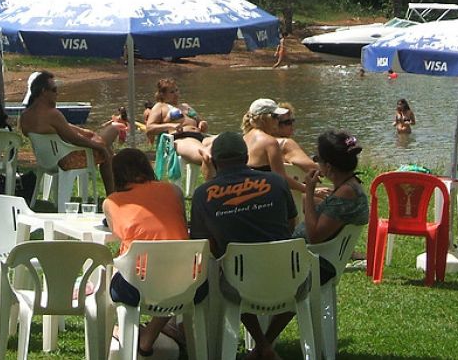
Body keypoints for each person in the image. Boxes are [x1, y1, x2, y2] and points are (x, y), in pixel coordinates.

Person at [190, 131, 296, 360]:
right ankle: (265, 346)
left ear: (214, 160)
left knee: (227, 278)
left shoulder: (202, 194)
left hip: (238, 280)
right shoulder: (277, 182)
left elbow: (206, 244)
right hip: (288, 276)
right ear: (246, 157)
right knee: (300, 289)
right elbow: (290, 224)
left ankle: (262, 345)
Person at [103, 148, 196, 356]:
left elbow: (117, 233)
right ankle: (155, 332)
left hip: (139, 284)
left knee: (115, 270)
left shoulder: (112, 202)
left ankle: (130, 331)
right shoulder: (173, 191)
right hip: (188, 280)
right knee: (169, 277)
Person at [18, 71, 119, 194]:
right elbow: (74, 139)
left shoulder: (25, 116)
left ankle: (114, 194)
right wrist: (99, 147)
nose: (57, 93)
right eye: (54, 90)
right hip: (64, 160)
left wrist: (89, 135)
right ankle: (112, 195)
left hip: (45, 160)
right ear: (44, 92)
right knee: (107, 148)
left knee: (104, 143)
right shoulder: (52, 114)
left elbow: (65, 131)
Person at [294, 130, 370, 284]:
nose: (315, 163)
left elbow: (315, 236)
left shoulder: (346, 193)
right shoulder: (350, 186)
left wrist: (309, 191)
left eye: (317, 159)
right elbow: (331, 216)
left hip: (313, 265)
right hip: (311, 258)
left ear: (328, 167)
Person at [242, 98, 327, 200]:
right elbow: (280, 178)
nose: (277, 121)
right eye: (275, 117)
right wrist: (311, 190)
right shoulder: (269, 142)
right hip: (268, 198)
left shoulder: (244, 139)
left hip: (250, 195)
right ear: (266, 118)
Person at [144, 78, 215, 176]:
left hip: (200, 136)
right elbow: (149, 129)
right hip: (181, 138)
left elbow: (200, 121)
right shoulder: (160, 107)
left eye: (177, 90)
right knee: (206, 156)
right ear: (162, 94)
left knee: (224, 141)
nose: (176, 94)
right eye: (172, 92)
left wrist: (203, 124)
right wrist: (170, 125)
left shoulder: (185, 106)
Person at [273, 102, 319, 175]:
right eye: (287, 122)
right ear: (274, 124)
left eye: (292, 121)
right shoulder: (285, 144)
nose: (292, 125)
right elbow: (311, 168)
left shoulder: (256, 142)